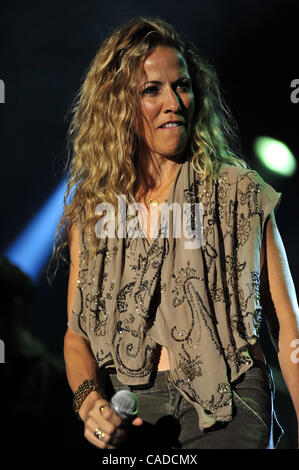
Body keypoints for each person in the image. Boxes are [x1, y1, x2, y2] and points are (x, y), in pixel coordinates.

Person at [50, 17, 299, 449]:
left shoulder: (239, 193)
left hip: (231, 401)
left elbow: (290, 331)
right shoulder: (93, 213)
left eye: (181, 86)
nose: (174, 102)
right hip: (134, 411)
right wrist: (89, 404)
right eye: (152, 90)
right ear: (119, 105)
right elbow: (78, 334)